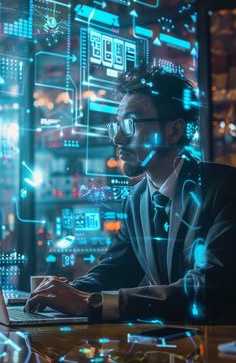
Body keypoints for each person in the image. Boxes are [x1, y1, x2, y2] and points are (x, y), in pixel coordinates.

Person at [25, 65, 236, 324]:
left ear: (174, 131)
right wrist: (61, 293)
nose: (119, 139)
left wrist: (87, 303)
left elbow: (208, 288)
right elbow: (115, 270)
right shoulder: (136, 200)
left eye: (130, 124)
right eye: (116, 126)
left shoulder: (224, 188)